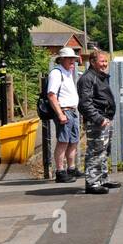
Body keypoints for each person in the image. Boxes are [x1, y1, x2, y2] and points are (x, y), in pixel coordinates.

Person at [77, 50, 121, 195]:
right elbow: (84, 104)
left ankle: (102, 179)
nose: (104, 64)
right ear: (93, 62)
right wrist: (98, 118)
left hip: (105, 119)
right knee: (95, 151)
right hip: (97, 121)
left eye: (106, 62)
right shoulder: (87, 78)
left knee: (104, 151)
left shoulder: (100, 77)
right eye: (102, 61)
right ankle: (92, 183)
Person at [46, 47, 82, 183]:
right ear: (62, 59)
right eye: (70, 59)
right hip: (64, 111)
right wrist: (60, 114)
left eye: (74, 58)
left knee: (73, 141)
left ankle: (71, 169)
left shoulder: (67, 72)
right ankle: (60, 172)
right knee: (63, 141)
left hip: (72, 111)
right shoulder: (56, 73)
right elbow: (51, 95)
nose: (73, 61)